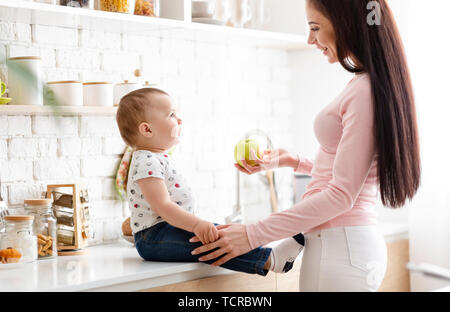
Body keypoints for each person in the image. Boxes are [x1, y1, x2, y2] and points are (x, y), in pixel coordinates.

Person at [190, 0, 421, 292]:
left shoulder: (364, 92)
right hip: (347, 248)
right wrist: (294, 161)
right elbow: (354, 172)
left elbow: (340, 195)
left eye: (315, 28)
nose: (310, 39)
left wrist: (252, 234)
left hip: (340, 249)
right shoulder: (368, 85)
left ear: (346, 23)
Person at [115, 87, 305, 276]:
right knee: (214, 243)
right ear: (147, 129)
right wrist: (197, 225)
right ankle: (270, 260)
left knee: (222, 233)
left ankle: (258, 248)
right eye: (172, 115)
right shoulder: (146, 161)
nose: (180, 120)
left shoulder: (157, 157)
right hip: (154, 237)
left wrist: (200, 225)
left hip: (166, 231)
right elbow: (162, 206)